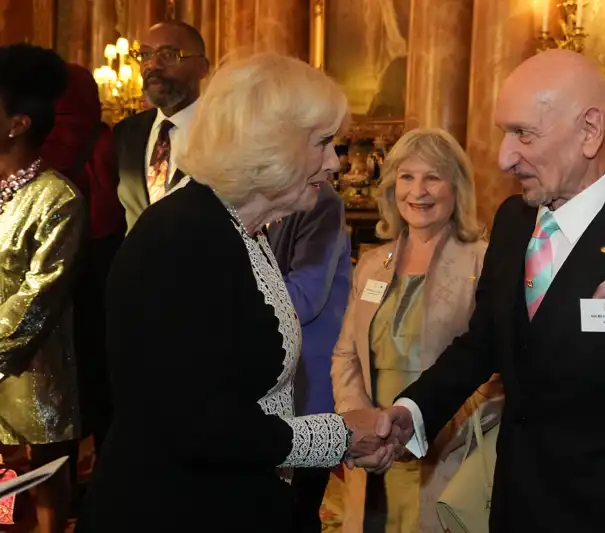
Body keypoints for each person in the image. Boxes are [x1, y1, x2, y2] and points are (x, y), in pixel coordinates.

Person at [378, 50, 605, 533]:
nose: (504, 157)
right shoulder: (513, 220)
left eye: (524, 134)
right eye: (504, 132)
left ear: (589, 130)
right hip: (512, 507)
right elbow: (484, 342)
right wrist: (411, 412)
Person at [76, 52, 394, 533]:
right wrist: (335, 436)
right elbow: (194, 426)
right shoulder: (179, 238)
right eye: (324, 144)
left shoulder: (242, 229)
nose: (335, 162)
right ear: (271, 145)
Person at [331, 128, 503, 533]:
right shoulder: (372, 263)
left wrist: (423, 427)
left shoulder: (483, 262)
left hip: (447, 456)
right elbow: (346, 356)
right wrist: (362, 426)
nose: (418, 191)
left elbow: (491, 368)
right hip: (373, 456)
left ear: (456, 187)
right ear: (391, 187)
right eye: (407, 177)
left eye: (433, 177)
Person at [0, 44, 86, 533]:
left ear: (18, 124)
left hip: (31, 385)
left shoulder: (57, 198)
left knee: (39, 502)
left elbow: (37, 301)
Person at [41, 62, 126, 454]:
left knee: (55, 386)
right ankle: (105, 485)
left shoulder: (35, 140)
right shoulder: (105, 139)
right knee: (101, 379)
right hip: (101, 270)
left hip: (50, 276)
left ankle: (56, 490)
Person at [265, 181, 352, 533]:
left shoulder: (321, 200)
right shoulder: (255, 195)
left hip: (308, 382)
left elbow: (304, 297)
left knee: (299, 509)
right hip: (273, 381)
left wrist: (227, 289)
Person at [115, 20, 209, 232]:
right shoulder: (125, 133)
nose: (153, 65)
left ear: (202, 68)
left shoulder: (224, 131)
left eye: (168, 55)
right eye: (146, 55)